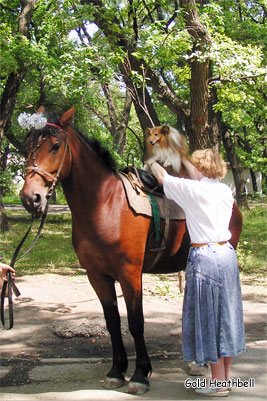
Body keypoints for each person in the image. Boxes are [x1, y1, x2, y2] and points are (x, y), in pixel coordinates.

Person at [149, 149, 246, 397]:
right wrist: (180, 155)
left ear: (200, 168)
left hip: (206, 259)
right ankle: (226, 378)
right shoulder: (223, 190)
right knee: (227, 316)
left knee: (209, 320)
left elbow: (162, 178)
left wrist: (153, 162)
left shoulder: (193, 192)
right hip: (227, 256)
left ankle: (218, 383)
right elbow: (197, 174)